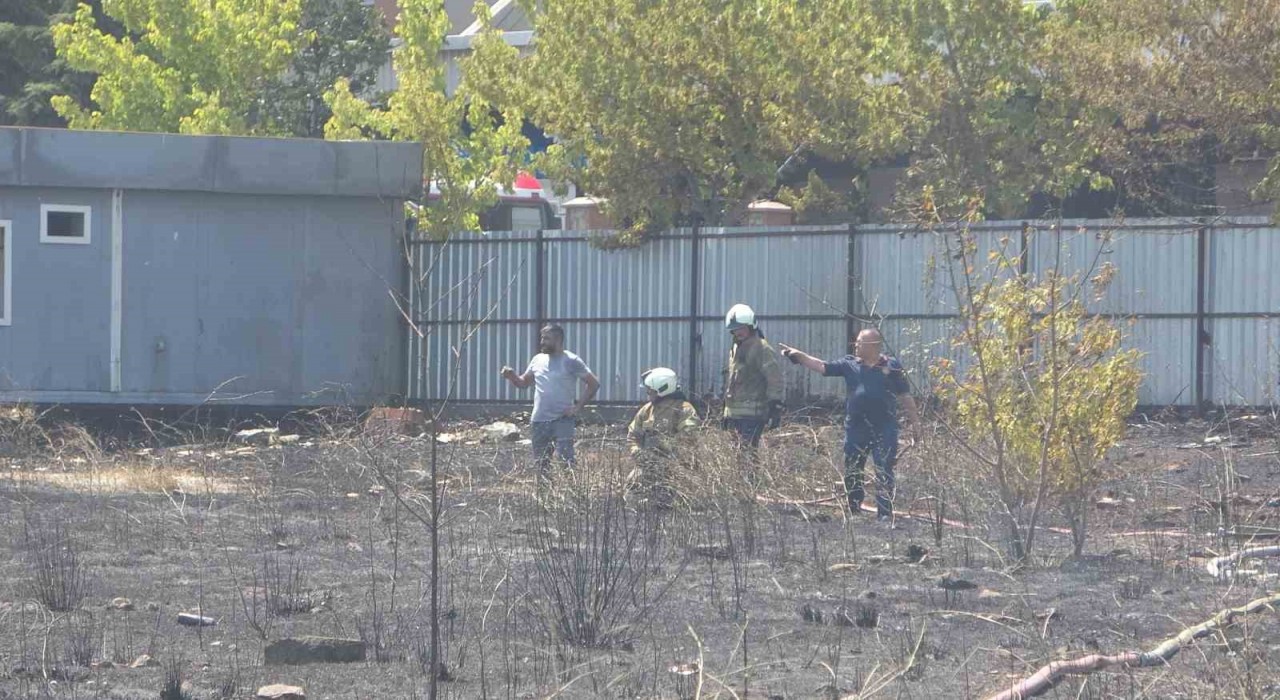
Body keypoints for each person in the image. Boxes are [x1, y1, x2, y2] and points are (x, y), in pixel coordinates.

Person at [779, 329, 920, 520]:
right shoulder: (849, 364)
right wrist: (799, 356)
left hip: (884, 427)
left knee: (883, 469)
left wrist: (915, 424)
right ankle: (854, 508)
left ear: (873, 346)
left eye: (860, 342)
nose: (856, 345)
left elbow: (905, 396)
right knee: (853, 468)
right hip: (856, 427)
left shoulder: (892, 367)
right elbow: (822, 366)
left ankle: (885, 515)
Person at [500, 324, 600, 481]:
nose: (542, 342)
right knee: (541, 465)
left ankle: (571, 497)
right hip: (539, 421)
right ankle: (545, 499)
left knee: (566, 462)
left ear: (558, 340)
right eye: (542, 338)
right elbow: (523, 384)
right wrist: (512, 376)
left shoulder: (571, 360)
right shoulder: (537, 360)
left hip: (562, 420)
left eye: (546, 338)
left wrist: (577, 407)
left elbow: (594, 384)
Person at [627, 367, 700, 505]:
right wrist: (636, 451)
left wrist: (666, 453)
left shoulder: (684, 409)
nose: (648, 393)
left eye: (651, 390)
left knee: (674, 501)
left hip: (677, 469)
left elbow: (688, 440)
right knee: (631, 492)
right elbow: (633, 435)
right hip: (648, 467)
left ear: (663, 389)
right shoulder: (647, 410)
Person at [721, 304, 784, 449]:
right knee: (735, 456)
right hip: (734, 415)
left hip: (752, 415)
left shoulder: (761, 348)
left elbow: (774, 378)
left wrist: (775, 405)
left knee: (746, 455)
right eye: (735, 329)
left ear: (751, 326)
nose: (738, 332)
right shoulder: (735, 348)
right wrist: (726, 412)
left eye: (741, 328)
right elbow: (732, 381)